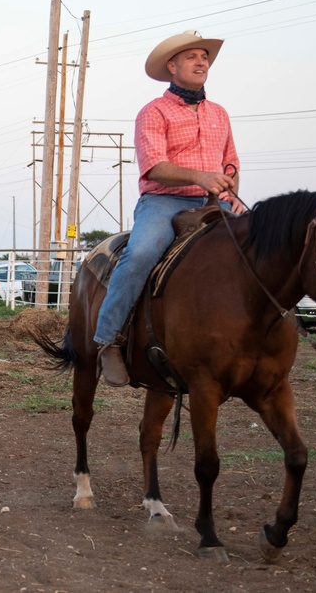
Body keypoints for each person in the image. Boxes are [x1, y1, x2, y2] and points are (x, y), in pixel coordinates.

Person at [94, 30, 247, 387]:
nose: (201, 62)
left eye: (205, 57)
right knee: (142, 253)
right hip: (165, 201)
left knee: (265, 246)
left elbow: (231, 163)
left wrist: (228, 182)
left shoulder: (219, 114)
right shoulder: (153, 112)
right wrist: (202, 176)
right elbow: (154, 166)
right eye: (192, 57)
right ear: (172, 66)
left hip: (214, 202)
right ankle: (108, 340)